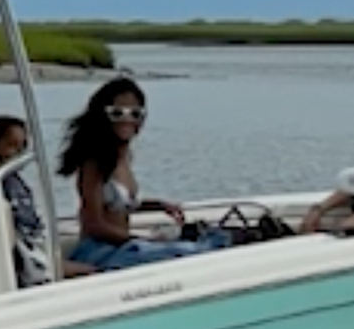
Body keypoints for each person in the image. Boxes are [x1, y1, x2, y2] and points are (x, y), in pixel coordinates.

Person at [57, 77, 232, 272]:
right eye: (117, 113)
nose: (127, 119)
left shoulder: (123, 157)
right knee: (188, 252)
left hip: (122, 247)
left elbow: (121, 206)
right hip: (100, 251)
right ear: (103, 116)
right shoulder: (94, 163)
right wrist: (143, 240)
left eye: (135, 114)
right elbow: (94, 224)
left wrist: (158, 205)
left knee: (212, 239)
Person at [0, 115, 96, 284]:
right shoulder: (2, 188)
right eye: (11, 146)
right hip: (29, 266)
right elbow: (26, 243)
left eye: (22, 147)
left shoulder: (12, 183)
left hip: (34, 257)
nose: (19, 153)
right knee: (97, 271)